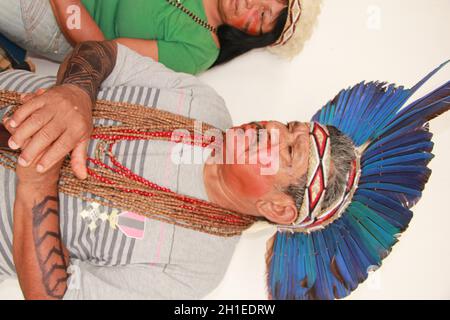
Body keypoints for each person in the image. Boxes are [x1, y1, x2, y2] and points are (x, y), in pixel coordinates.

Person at [0, 42, 449, 300]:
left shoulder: (193, 272)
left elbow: (55, 296)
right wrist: (78, 91)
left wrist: (36, 182)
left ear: (277, 208)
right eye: (289, 126)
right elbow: (107, 55)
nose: (271, 130)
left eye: (288, 151)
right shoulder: (205, 105)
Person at [0, 0, 322, 74]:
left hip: (62, 22)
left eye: (263, 16)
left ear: (252, 36)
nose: (253, 4)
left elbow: (98, 50)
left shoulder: (199, 49)